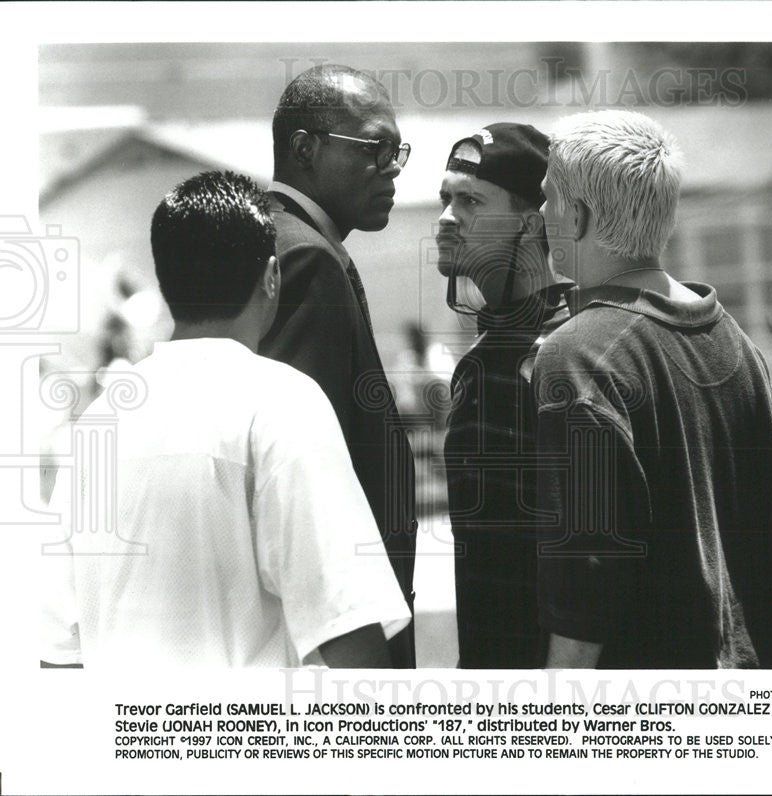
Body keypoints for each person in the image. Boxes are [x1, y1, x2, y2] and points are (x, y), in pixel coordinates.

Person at [40, 171, 411, 668]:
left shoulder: (96, 424)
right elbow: (348, 628)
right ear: (272, 277)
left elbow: (58, 654)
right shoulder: (284, 401)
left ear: (166, 281)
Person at [532, 110, 772, 669]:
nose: (540, 214)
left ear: (578, 216)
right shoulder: (739, 344)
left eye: (547, 199)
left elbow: (589, 573)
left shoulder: (577, 351)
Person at [260, 65, 418, 667]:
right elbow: (304, 474)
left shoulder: (288, 240)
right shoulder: (304, 256)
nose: (394, 167)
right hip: (343, 631)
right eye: (376, 148)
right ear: (305, 148)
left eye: (397, 150)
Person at [437, 123, 569, 668]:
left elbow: (583, 555)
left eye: (469, 201)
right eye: (446, 199)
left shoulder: (559, 353)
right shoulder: (498, 346)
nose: (446, 218)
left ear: (531, 224)